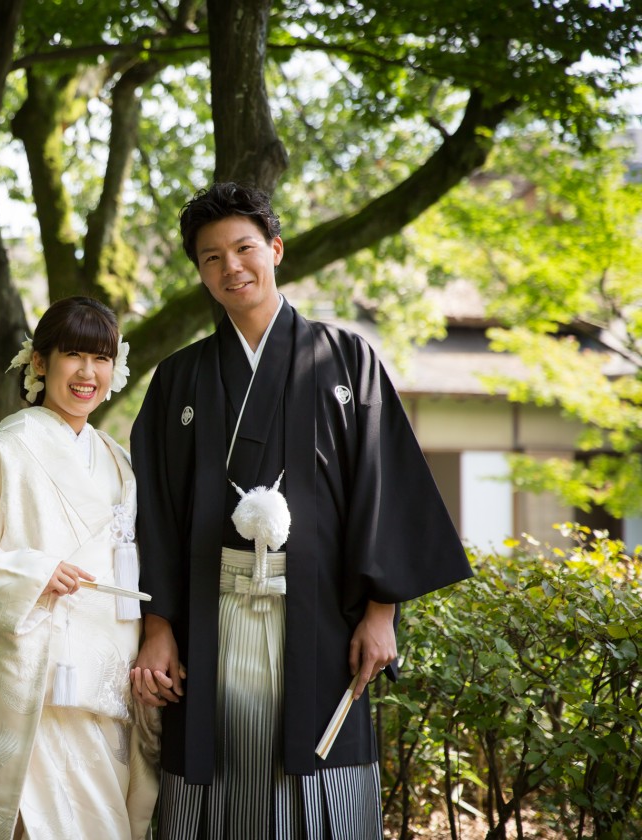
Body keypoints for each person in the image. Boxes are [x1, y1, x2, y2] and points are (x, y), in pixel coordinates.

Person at [129, 182, 472, 838]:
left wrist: (381, 613)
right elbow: (154, 512)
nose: (231, 266)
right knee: (213, 778)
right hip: (208, 619)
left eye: (244, 248)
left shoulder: (346, 361)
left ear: (276, 249)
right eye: (211, 258)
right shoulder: (180, 378)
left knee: (314, 785)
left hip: (318, 621)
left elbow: (385, 487)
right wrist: (158, 626)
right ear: (199, 273)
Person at [0, 296, 159, 840]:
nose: (87, 373)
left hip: (104, 677)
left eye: (101, 358)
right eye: (73, 355)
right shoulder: (9, 450)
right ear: (39, 362)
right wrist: (31, 574)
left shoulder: (116, 459)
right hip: (33, 678)